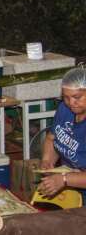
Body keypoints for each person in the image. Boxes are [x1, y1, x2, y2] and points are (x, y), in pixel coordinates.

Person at [39, 67, 86, 203]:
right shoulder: (64, 109)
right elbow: (51, 138)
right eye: (66, 97)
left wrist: (64, 179)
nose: (71, 103)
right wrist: (47, 161)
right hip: (69, 187)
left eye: (77, 97)